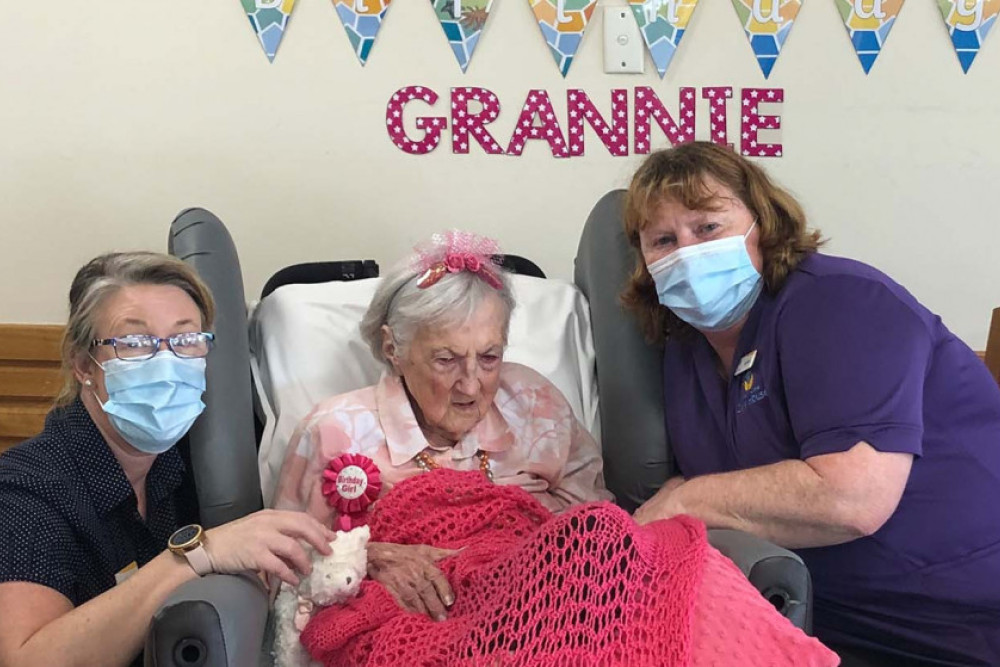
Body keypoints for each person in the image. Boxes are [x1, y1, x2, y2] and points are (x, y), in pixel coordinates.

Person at [622, 141, 1000, 666]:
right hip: (813, 618)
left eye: (707, 228)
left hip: (954, 623)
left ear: (764, 225)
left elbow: (851, 499)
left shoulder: (841, 302)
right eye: (663, 240)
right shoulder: (685, 350)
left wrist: (687, 501)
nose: (687, 253)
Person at [0, 252, 336, 667]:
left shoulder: (184, 464)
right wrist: (196, 556)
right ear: (85, 364)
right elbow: (27, 660)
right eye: (136, 343)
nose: (166, 362)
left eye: (185, 339)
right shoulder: (26, 490)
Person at [272, 230, 613, 622]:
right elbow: (283, 572)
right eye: (446, 360)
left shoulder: (535, 402)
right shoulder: (333, 432)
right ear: (392, 349)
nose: (471, 385)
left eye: (489, 357)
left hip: (546, 612)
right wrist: (368, 559)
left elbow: (596, 525)